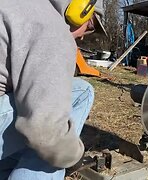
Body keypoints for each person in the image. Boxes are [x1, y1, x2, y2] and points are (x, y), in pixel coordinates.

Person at [0, 0, 105, 179]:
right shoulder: (51, 29)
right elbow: (44, 131)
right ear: (80, 10)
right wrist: (73, 157)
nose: (82, 37)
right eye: (90, 26)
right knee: (81, 92)